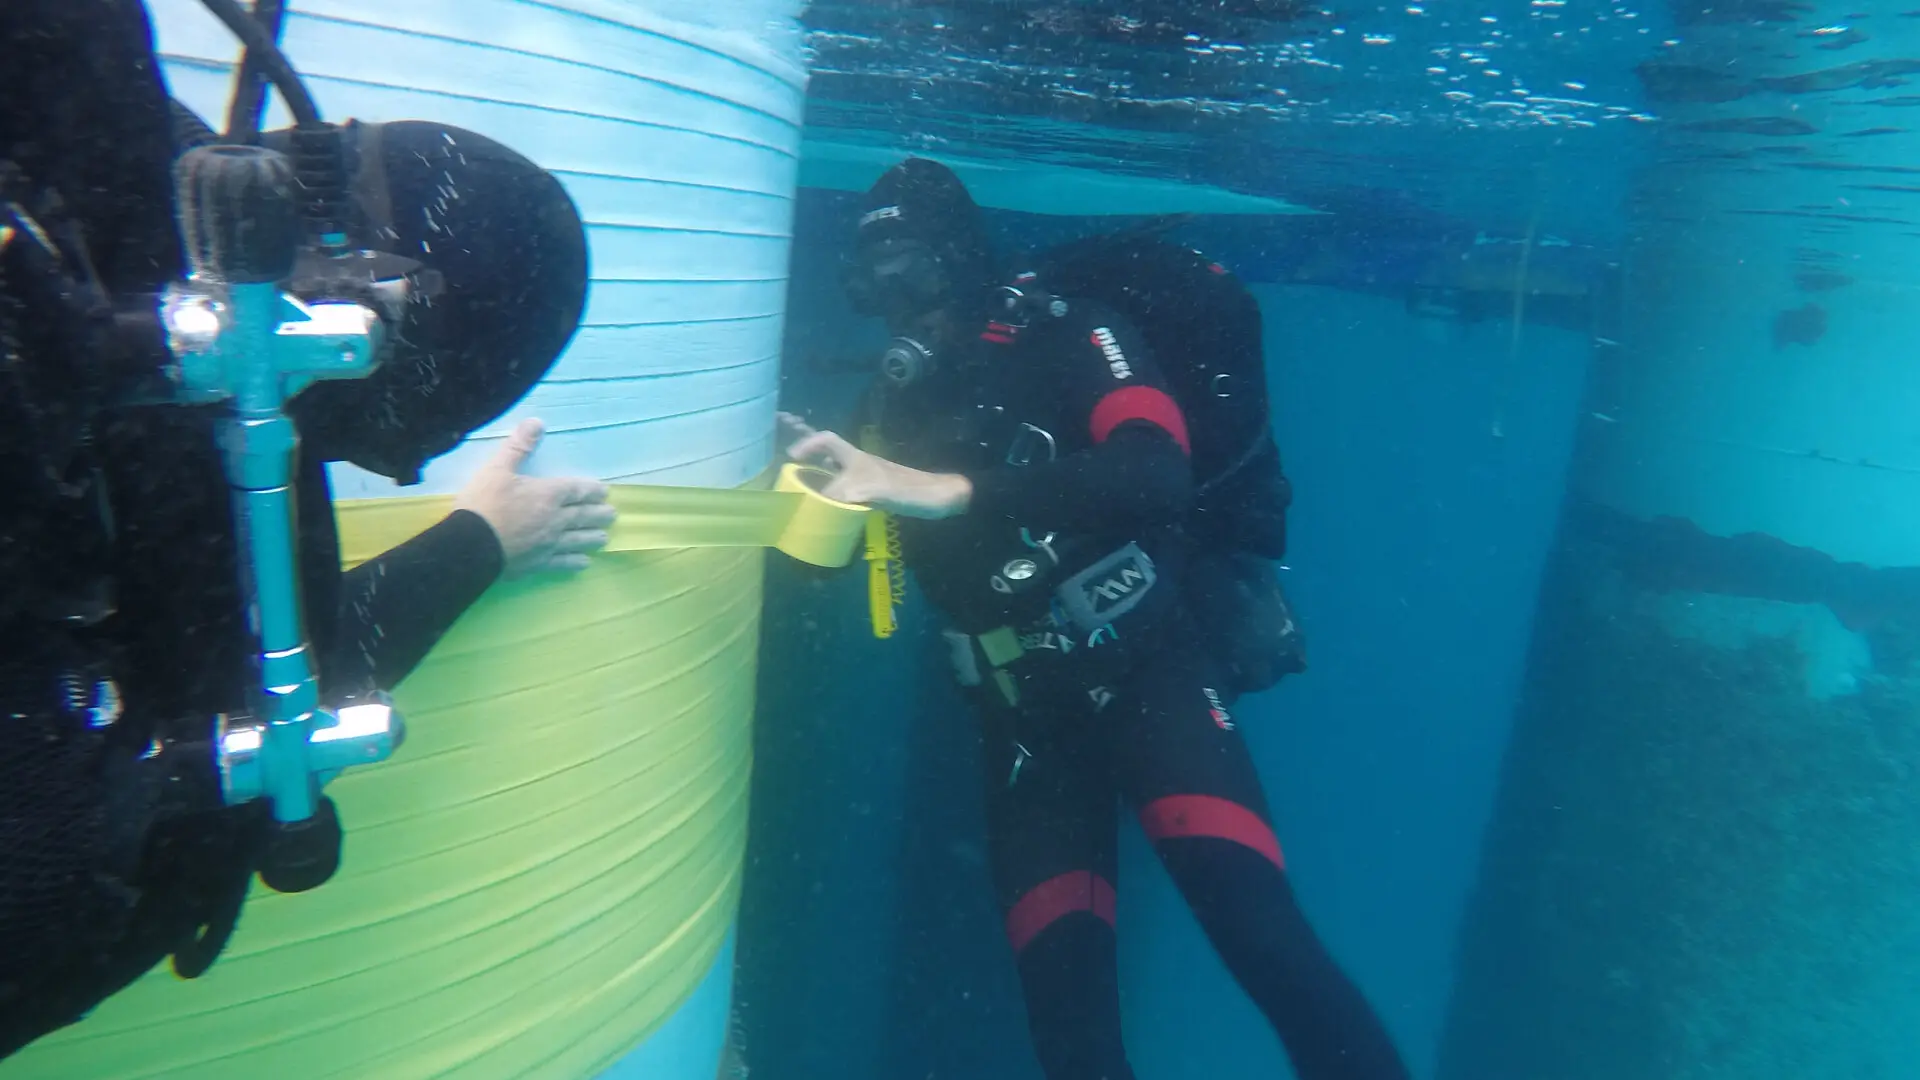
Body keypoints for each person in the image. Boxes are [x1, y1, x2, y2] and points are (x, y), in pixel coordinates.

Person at [0, 0, 611, 1058]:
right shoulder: (75, 284)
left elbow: (276, 661)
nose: (397, 468)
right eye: (391, 422)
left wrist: (479, 539)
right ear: (349, 313)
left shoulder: (119, 248)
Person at [779, 158, 1409, 1080]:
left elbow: (1156, 471)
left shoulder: (1072, 332)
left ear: (959, 257)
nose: (893, 303)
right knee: (1070, 1031)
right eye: (868, 284)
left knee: (1264, 941)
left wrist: (943, 488)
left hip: (1148, 673)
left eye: (908, 270)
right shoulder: (892, 403)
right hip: (1023, 721)